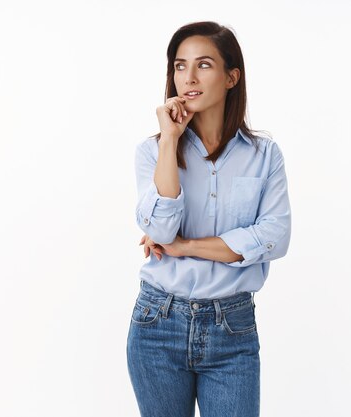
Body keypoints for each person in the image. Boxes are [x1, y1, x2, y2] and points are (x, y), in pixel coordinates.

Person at [126, 21, 291, 417]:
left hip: (231, 327)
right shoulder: (153, 152)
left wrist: (184, 246)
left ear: (231, 76)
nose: (189, 78)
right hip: (157, 323)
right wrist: (170, 139)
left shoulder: (264, 155)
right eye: (179, 67)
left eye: (203, 65)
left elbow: (275, 237)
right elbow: (161, 229)